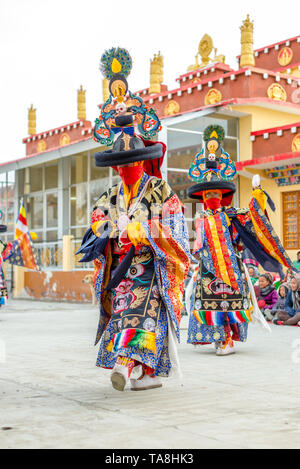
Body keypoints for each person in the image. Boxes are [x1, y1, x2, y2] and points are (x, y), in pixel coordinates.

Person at [77, 47, 191, 392]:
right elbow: (94, 229)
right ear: (115, 167)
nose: (127, 169)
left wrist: (149, 231)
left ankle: (129, 369)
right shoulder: (109, 197)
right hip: (122, 272)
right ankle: (144, 373)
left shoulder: (159, 189)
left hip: (152, 268)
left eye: (133, 163)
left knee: (140, 318)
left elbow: (176, 227)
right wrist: (107, 229)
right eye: (121, 164)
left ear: (143, 162)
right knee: (127, 316)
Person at [186, 125, 296, 355]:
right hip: (207, 268)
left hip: (230, 268)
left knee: (228, 302)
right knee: (209, 303)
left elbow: (253, 221)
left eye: (216, 194)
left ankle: (227, 338)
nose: (213, 198)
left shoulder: (231, 215)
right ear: (203, 197)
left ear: (223, 195)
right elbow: (198, 245)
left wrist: (258, 198)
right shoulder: (201, 218)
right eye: (208, 195)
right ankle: (215, 337)